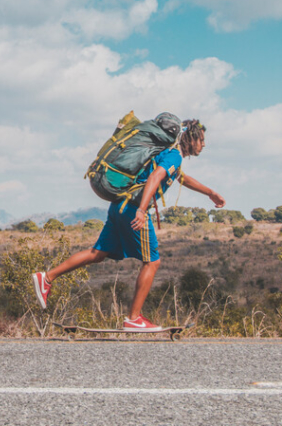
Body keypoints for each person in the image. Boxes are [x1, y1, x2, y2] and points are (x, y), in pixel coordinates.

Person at [31, 119, 224, 330]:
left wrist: (210, 193)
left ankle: (47, 277)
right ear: (191, 138)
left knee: (98, 253)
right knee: (152, 262)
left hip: (118, 206)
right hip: (132, 208)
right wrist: (141, 210)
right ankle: (134, 318)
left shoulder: (166, 154)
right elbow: (155, 177)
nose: (203, 145)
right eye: (201, 140)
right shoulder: (174, 155)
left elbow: (180, 177)